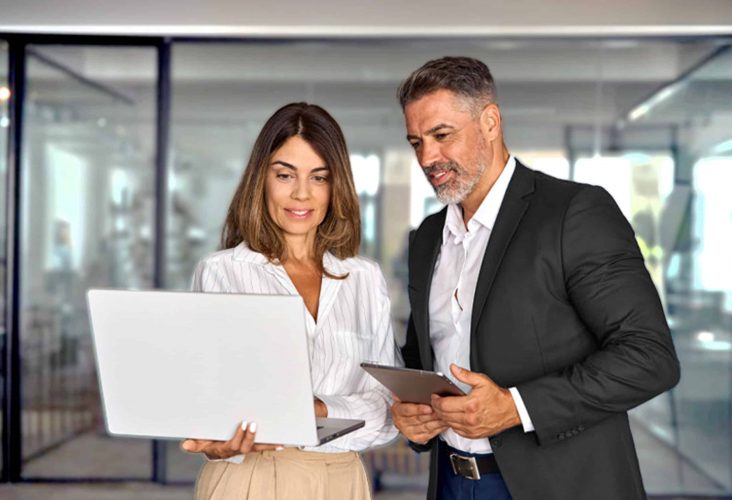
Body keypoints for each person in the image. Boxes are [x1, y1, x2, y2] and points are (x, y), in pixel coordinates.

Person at [391, 57, 680, 500]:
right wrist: (414, 417)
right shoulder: (428, 236)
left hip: (558, 484)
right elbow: (424, 358)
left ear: (490, 122)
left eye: (442, 135)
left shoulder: (573, 213)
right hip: (450, 482)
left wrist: (515, 408)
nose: (428, 157)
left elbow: (649, 357)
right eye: (416, 142)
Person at [181, 102, 398, 500]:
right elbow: (207, 399)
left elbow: (385, 411)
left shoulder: (364, 279)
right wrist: (216, 444)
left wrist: (316, 410)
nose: (302, 193)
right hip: (250, 478)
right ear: (260, 179)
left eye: (319, 177)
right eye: (285, 175)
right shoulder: (222, 272)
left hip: (342, 479)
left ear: (337, 187)